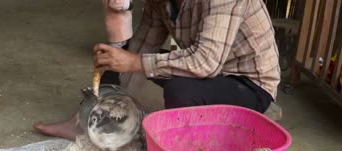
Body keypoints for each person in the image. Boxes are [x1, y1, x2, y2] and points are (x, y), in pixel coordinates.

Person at [33, 0, 279, 141]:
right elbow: (142, 45)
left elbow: (206, 62)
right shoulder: (161, 2)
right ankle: (86, 122)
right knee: (119, 58)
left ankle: (185, 149)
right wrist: (119, 65)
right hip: (211, 71)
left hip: (248, 84)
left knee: (180, 90)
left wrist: (134, 62)